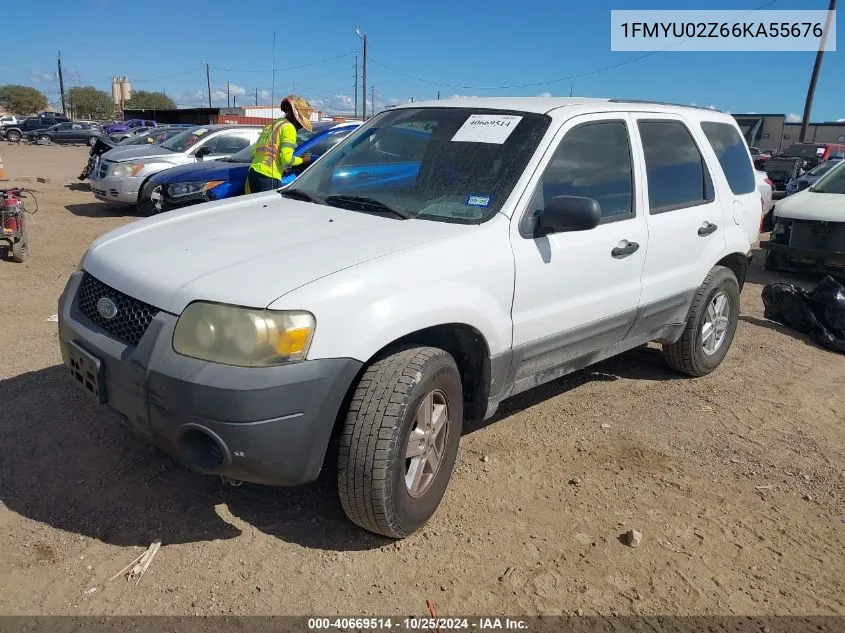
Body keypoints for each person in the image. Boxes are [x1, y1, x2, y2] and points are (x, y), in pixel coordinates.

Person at [246, 95, 314, 193]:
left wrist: (280, 167)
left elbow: (256, 151)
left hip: (253, 172)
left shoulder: (272, 124)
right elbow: (287, 159)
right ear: (295, 116)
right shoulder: (289, 128)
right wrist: (303, 160)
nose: (300, 127)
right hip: (269, 177)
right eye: (300, 123)